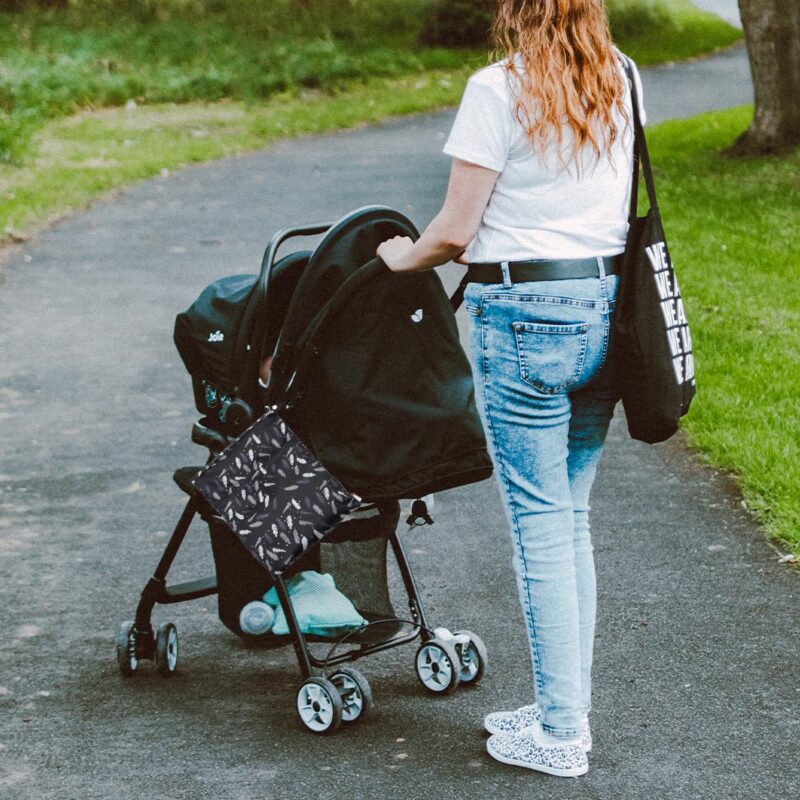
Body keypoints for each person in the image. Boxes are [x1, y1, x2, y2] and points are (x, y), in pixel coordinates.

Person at [376, 0, 645, 779]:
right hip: (606, 314)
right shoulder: (622, 76)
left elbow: (454, 232)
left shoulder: (498, 89)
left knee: (541, 528)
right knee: (572, 519)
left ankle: (561, 734)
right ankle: (564, 708)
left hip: (525, 317)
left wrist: (400, 256)